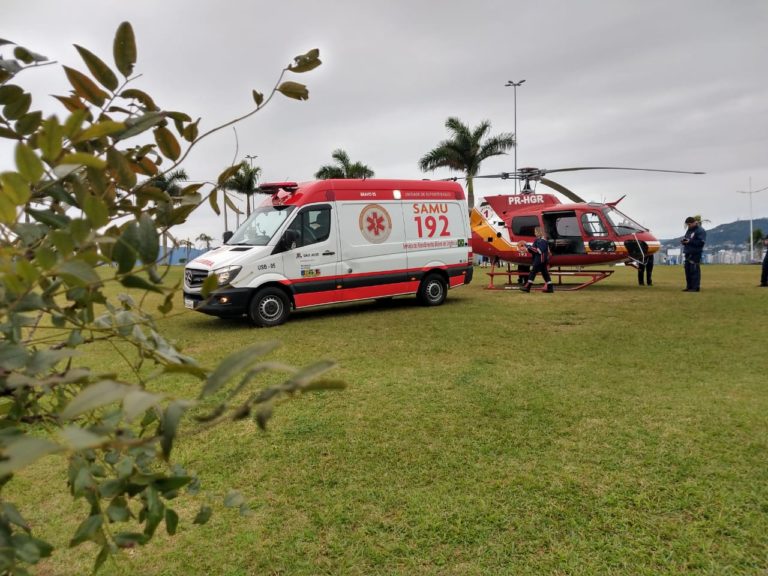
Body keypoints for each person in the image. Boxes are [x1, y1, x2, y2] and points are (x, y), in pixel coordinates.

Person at [520, 227, 554, 293]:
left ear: (539, 232)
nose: (534, 233)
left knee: (533, 272)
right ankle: (550, 288)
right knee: (545, 274)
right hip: (542, 259)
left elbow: (539, 251)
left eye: (535, 232)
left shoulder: (542, 241)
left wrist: (527, 246)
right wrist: (527, 248)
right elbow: (533, 250)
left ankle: (528, 287)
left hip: (540, 260)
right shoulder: (538, 240)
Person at [681, 216, 706, 292]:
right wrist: (684, 241)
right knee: (687, 270)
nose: (688, 226)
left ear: (694, 223)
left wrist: (689, 242)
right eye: (687, 225)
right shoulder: (689, 230)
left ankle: (695, 287)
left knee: (694, 270)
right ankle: (689, 286)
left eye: (689, 224)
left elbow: (701, 243)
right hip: (688, 252)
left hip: (695, 253)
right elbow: (687, 238)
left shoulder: (700, 231)